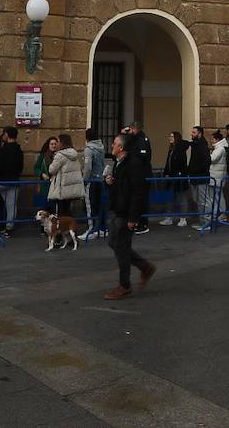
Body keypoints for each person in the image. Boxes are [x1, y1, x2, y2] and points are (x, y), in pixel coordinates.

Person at [103, 133, 155, 300]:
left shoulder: (133, 165)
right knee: (114, 243)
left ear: (121, 148)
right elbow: (121, 189)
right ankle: (144, 266)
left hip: (126, 213)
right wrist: (110, 182)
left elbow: (137, 193)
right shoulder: (119, 164)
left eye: (115, 144)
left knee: (121, 246)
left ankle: (125, 285)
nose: (112, 146)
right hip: (117, 209)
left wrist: (133, 218)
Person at [0, 126, 24, 237]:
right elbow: (20, 167)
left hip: (2, 181)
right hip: (14, 181)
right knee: (11, 207)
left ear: (6, 134)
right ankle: (9, 229)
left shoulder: (4, 150)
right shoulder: (19, 150)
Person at [46, 134, 83, 217]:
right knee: (67, 211)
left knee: (61, 213)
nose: (57, 143)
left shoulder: (60, 155)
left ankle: (63, 229)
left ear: (62, 143)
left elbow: (51, 170)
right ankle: (70, 228)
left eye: (58, 141)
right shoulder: (74, 154)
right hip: (70, 189)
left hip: (62, 189)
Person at [81, 129, 107, 240]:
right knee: (100, 205)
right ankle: (101, 228)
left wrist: (84, 179)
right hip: (101, 180)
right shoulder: (101, 147)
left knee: (90, 206)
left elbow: (88, 167)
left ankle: (91, 230)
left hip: (91, 181)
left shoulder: (88, 149)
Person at [160, 130, 190, 227]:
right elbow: (168, 163)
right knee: (169, 197)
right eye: (170, 136)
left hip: (179, 177)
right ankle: (169, 217)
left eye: (172, 136)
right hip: (171, 177)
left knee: (182, 197)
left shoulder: (180, 149)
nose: (170, 138)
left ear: (176, 138)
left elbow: (181, 164)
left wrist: (179, 174)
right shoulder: (172, 149)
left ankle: (183, 218)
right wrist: (166, 173)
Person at [187, 125, 213, 227]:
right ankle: (202, 221)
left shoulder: (202, 146)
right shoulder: (196, 144)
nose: (191, 134)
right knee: (197, 199)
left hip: (201, 177)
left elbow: (206, 162)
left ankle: (206, 222)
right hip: (195, 176)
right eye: (192, 132)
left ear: (199, 133)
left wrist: (196, 170)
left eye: (194, 132)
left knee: (203, 200)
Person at [207, 129, 228, 226]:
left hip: (217, 177)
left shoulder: (220, 149)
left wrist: (206, 155)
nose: (211, 141)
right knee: (217, 196)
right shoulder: (219, 148)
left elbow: (212, 159)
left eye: (212, 139)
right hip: (217, 176)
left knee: (217, 196)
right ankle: (218, 214)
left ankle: (221, 213)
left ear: (216, 139)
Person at [33, 136, 57, 211]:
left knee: (54, 207)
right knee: (44, 207)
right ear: (48, 145)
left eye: (55, 144)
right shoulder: (43, 156)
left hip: (55, 185)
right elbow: (36, 167)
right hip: (45, 185)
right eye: (52, 144)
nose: (53, 146)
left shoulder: (59, 156)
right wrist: (41, 174)